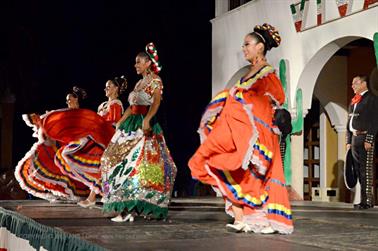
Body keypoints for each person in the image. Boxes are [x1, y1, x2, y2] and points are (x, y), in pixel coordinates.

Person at [188, 23, 293, 234]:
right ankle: (240, 218)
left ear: (260, 47)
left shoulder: (267, 75)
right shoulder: (249, 74)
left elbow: (271, 103)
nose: (243, 49)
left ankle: (264, 221)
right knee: (222, 165)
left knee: (252, 177)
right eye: (243, 45)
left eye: (247, 44)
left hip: (258, 134)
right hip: (240, 131)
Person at [101, 42, 177, 222]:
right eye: (135, 62)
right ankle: (125, 205)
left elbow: (156, 103)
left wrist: (148, 120)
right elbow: (132, 107)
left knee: (140, 165)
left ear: (148, 63)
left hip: (144, 125)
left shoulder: (155, 81)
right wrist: (120, 121)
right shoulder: (139, 83)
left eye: (138, 62)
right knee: (111, 159)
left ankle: (132, 208)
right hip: (131, 125)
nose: (135, 65)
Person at [14, 86, 99, 202]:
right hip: (65, 146)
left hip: (78, 146)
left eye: (69, 99)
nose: (67, 102)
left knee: (70, 168)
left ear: (76, 99)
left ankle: (82, 195)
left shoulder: (83, 113)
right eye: (67, 100)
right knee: (44, 154)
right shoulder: (66, 113)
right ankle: (61, 193)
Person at [346, 75, 378, 209]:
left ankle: (368, 201)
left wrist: (370, 139)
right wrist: (348, 140)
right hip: (355, 138)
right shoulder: (354, 101)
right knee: (358, 171)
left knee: (366, 170)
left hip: (365, 138)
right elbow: (350, 122)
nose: (353, 86)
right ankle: (363, 200)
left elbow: (374, 120)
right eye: (352, 83)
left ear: (364, 84)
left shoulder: (372, 99)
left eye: (355, 83)